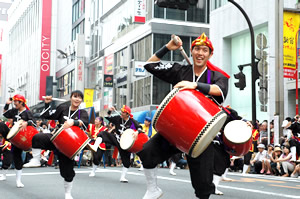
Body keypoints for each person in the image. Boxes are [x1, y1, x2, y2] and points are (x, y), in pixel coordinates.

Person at [138, 33, 229, 199]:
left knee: (203, 186)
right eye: (197, 49)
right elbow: (149, 65)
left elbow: (220, 91)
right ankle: (152, 190)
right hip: (175, 129)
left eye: (204, 50)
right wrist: (167, 48)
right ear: (191, 51)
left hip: (201, 133)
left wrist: (194, 85)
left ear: (210, 54)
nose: (200, 53)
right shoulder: (179, 70)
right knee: (147, 152)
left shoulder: (216, 76)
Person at [24, 90, 88, 199]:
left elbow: (84, 124)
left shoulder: (82, 113)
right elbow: (48, 116)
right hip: (56, 138)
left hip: (68, 144)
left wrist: (74, 122)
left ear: (81, 100)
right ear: (71, 98)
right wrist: (47, 103)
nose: (77, 99)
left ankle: (68, 193)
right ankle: (36, 159)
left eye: (79, 97)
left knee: (67, 172)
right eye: (75, 96)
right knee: (37, 138)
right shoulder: (62, 108)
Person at [89, 105, 143, 183]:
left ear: (127, 114)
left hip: (124, 142)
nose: (121, 113)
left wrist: (137, 132)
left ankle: (123, 177)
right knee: (103, 134)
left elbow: (140, 127)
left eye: (123, 112)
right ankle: (95, 147)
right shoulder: (118, 118)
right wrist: (110, 111)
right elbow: (108, 117)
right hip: (115, 138)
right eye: (121, 112)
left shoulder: (132, 121)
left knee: (126, 160)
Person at [2, 94, 35, 188]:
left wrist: (26, 122)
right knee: (1, 125)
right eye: (14, 102)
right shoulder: (14, 111)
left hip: (20, 139)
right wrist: (7, 104)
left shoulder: (27, 112)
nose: (15, 103)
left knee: (16, 158)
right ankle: (3, 175)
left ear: (22, 103)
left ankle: (18, 180)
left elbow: (33, 122)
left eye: (16, 102)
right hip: (11, 136)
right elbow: (4, 114)